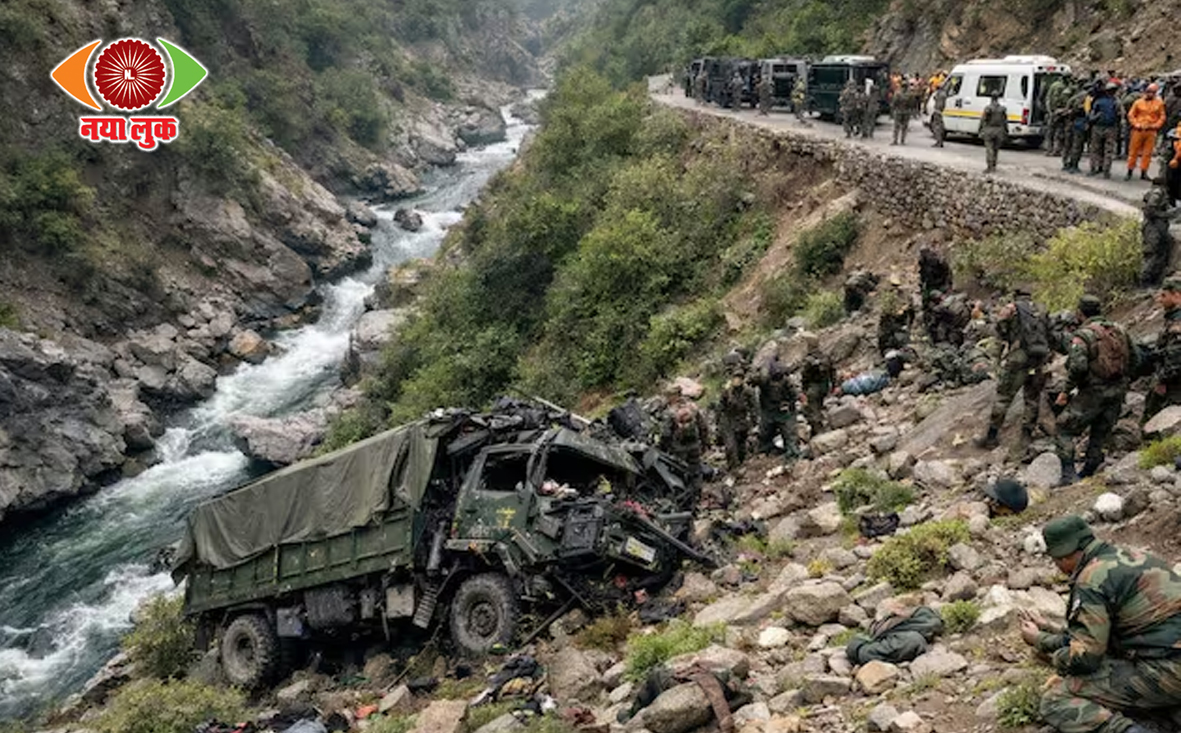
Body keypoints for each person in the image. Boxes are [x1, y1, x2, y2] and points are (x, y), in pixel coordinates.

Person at [1027, 516, 1181, 733]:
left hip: (1169, 672)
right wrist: (1044, 635)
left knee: (1055, 700)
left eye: (1056, 561)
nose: (1058, 567)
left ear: (1064, 556)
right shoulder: (1136, 556)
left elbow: (1087, 658)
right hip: (1169, 661)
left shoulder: (1091, 579)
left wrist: (1056, 656)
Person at [1054, 296, 1135, 485]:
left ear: (1080, 313)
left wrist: (1065, 391)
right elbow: (1135, 358)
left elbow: (1078, 367)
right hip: (1118, 390)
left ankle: (1068, 475)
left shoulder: (1084, 335)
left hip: (1093, 392)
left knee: (1063, 429)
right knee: (1100, 431)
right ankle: (1090, 469)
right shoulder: (1120, 330)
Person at [977, 288, 1051, 451]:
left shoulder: (1011, 309)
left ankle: (991, 437)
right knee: (1032, 398)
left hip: (1018, 359)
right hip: (1038, 359)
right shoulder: (1042, 309)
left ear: (1015, 296)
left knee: (1003, 397)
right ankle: (1026, 437)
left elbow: (999, 331)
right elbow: (1050, 333)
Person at [658, 385, 710, 503]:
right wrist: (705, 442)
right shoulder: (692, 407)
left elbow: (666, 433)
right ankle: (698, 495)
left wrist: (663, 447)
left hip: (678, 447)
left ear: (672, 396)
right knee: (696, 469)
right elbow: (703, 426)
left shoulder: (670, 412)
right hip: (694, 444)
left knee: (680, 471)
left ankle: (687, 499)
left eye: (668, 396)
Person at [1143, 277, 1181, 425]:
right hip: (1171, 379)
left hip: (1174, 386)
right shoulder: (1172, 319)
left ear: (1176, 295)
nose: (1160, 300)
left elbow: (1176, 355)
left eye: (1164, 295)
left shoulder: (1178, 323)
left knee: (1153, 423)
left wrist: (1163, 380)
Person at [753, 357, 799, 461]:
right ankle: (766, 450)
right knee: (765, 432)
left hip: (784, 412)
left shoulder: (787, 381)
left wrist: (788, 404)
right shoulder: (764, 380)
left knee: (789, 433)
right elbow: (752, 381)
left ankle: (792, 453)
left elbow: (794, 395)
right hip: (768, 411)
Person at [1140, 177, 1181, 287]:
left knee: (1159, 252)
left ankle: (1153, 279)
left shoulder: (1156, 192)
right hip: (1153, 228)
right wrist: (1166, 215)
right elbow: (1150, 211)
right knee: (1152, 253)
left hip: (1157, 227)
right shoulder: (1157, 193)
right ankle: (1145, 282)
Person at [716, 370, 758, 472]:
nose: (736, 380)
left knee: (741, 446)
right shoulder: (727, 391)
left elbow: (754, 407)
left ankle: (740, 463)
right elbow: (720, 407)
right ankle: (733, 468)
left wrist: (754, 421)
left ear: (742, 380)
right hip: (728, 420)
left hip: (741, 420)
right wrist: (717, 422)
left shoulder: (748, 391)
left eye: (739, 378)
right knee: (730, 446)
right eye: (735, 378)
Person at [1126, 83, 1166, 181]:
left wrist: (1155, 126)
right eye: (1149, 91)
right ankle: (1129, 171)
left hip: (1151, 131)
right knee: (1133, 151)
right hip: (1138, 130)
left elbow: (1162, 117)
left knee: (1147, 153)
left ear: (1155, 93)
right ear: (1145, 92)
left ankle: (1144, 172)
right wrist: (1136, 124)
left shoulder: (1159, 103)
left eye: (1152, 92)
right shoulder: (1138, 102)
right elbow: (1131, 115)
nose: (1150, 94)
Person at [799, 334, 836, 437]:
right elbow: (833, 371)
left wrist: (803, 391)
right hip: (824, 386)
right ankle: (815, 431)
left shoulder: (808, 360)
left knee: (812, 410)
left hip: (813, 388)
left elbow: (804, 377)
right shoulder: (825, 357)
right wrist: (834, 385)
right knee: (818, 407)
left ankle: (820, 434)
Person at [1088, 82, 1121, 179]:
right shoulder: (1116, 102)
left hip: (1098, 127)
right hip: (1110, 128)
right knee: (1108, 150)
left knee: (1096, 149)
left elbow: (1091, 116)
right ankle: (1105, 170)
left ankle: (1095, 168)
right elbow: (1120, 116)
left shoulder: (1098, 101)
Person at [877, 278, 915, 355]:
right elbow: (886, 309)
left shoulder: (903, 295)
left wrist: (904, 309)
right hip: (891, 320)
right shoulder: (888, 296)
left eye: (897, 286)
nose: (895, 288)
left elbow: (910, 307)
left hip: (900, 320)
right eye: (894, 286)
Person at [1062, 80, 1090, 174]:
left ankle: (1066, 163)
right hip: (1078, 123)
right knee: (1077, 145)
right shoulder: (1085, 97)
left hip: (1070, 123)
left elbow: (1067, 110)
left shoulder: (1074, 97)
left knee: (1068, 144)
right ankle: (1073, 165)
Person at [979, 91, 1008, 174]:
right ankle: (994, 166)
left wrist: (980, 130)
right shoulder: (1002, 109)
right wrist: (1006, 131)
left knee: (989, 149)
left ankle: (990, 166)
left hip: (989, 130)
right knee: (996, 149)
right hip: (999, 131)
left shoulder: (988, 108)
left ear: (991, 98)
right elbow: (1005, 121)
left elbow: (983, 120)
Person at [1044, 74, 1071, 156]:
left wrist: (1050, 111)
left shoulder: (1054, 85)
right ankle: (1056, 150)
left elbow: (1048, 98)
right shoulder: (1063, 87)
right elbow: (1061, 100)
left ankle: (1049, 150)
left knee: (1051, 132)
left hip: (1053, 112)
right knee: (1058, 132)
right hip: (1059, 112)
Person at [930, 82, 947, 147]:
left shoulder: (939, 94)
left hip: (937, 111)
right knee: (940, 127)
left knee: (936, 127)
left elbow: (936, 100)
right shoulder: (944, 94)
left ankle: (938, 141)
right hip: (940, 111)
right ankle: (940, 141)